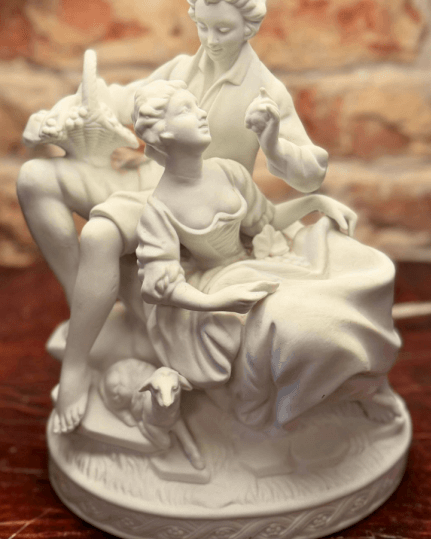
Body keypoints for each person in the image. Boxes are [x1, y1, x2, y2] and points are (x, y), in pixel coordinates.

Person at [36, 0, 330, 433]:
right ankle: (89, 310)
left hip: (194, 203)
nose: (210, 39)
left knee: (99, 236)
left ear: (249, 26)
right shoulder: (180, 69)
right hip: (148, 181)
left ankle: (76, 364)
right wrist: (65, 111)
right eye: (203, 26)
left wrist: (272, 140)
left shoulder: (265, 91)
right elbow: (121, 99)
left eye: (223, 29)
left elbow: (310, 172)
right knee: (35, 179)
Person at [134, 81, 403, 431]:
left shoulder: (227, 171)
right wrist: (217, 302)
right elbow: (159, 286)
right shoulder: (159, 208)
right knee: (303, 323)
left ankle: (370, 379)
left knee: (352, 263)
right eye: (186, 110)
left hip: (255, 259)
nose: (201, 114)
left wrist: (317, 202)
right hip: (217, 288)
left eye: (197, 105)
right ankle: (330, 392)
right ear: (163, 133)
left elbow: (267, 220)